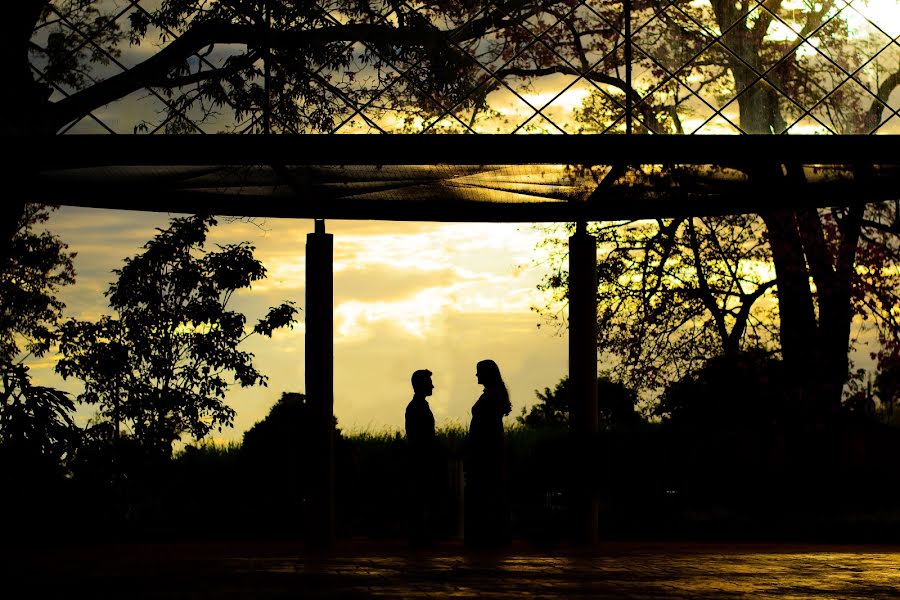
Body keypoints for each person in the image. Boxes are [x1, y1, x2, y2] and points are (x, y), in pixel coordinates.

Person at [464, 359, 512, 547]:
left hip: (486, 453)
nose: (476, 375)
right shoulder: (495, 395)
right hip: (489, 451)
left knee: (486, 493)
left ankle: (487, 536)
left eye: (479, 372)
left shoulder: (491, 396)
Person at [405, 369, 442, 546]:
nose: (432, 386)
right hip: (421, 459)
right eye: (429, 382)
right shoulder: (417, 407)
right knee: (422, 497)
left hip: (420, 458)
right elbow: (423, 437)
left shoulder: (417, 406)